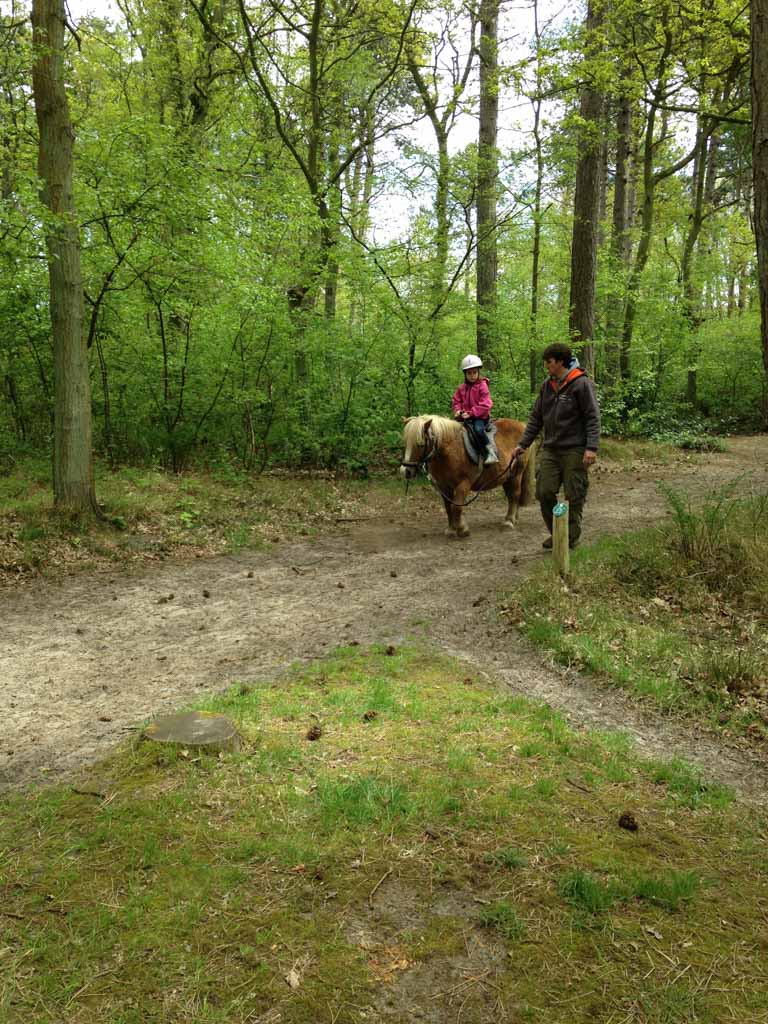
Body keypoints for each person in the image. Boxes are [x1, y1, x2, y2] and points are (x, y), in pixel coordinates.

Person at [512, 342, 600, 549]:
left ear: (560, 361)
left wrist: (591, 448)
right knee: (544, 492)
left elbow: (592, 418)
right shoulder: (546, 386)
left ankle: (570, 539)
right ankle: (557, 532)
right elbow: (536, 419)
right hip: (551, 449)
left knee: (574, 494)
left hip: (575, 449)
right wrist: (522, 444)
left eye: (549, 362)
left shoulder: (581, 384)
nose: (546, 366)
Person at [452, 354, 498, 464]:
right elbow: (456, 401)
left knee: (478, 430)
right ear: (465, 374)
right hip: (465, 418)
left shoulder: (482, 386)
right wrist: (458, 411)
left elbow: (486, 404)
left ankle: (490, 452)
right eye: (469, 373)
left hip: (480, 417)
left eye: (474, 373)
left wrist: (471, 413)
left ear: (478, 372)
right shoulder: (461, 388)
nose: (472, 376)